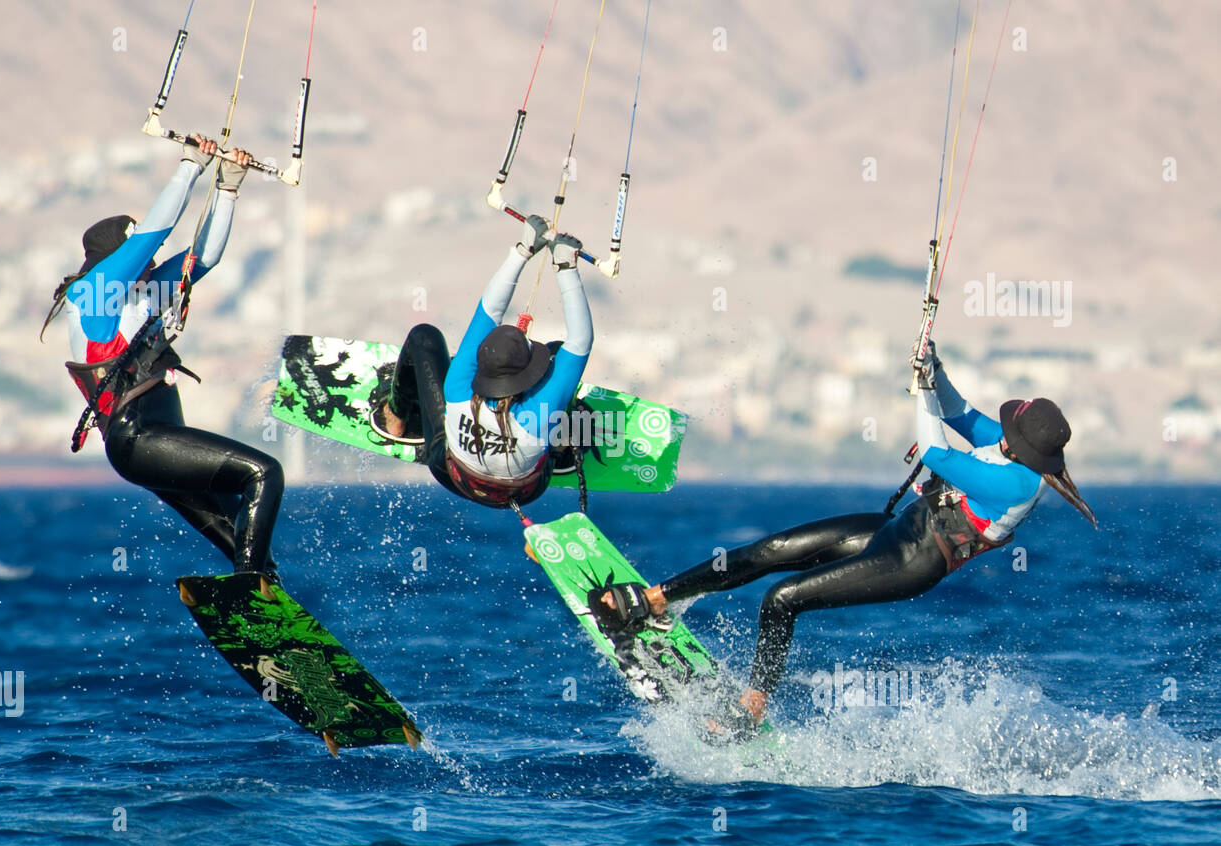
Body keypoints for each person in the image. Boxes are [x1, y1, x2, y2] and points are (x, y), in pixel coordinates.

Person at [593, 340, 1098, 740]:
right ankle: (655, 599)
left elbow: (936, 452)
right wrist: (933, 368)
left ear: (1026, 446)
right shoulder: (1012, 452)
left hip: (914, 562)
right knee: (768, 553)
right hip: (900, 531)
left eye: (1010, 427)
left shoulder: (1018, 483)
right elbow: (961, 414)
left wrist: (920, 391)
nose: (1002, 429)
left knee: (782, 599)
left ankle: (750, 710)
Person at [41, 135, 284, 581]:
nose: (152, 262)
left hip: (161, 440)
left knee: (242, 533)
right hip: (140, 439)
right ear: (116, 259)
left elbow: (202, 259)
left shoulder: (144, 294)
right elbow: (157, 231)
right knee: (265, 474)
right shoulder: (94, 293)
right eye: (142, 258)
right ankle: (250, 587)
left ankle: (264, 597)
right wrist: (190, 165)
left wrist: (227, 188)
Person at [373, 215, 593, 509]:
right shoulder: (540, 411)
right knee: (558, 353)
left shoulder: (460, 384)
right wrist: (566, 268)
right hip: (527, 491)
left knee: (424, 337)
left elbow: (489, 310)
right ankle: (562, 449)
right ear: (526, 376)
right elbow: (579, 341)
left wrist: (522, 251)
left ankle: (396, 418)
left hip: (452, 475)